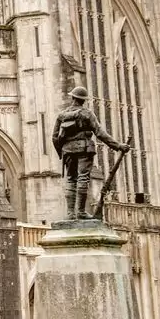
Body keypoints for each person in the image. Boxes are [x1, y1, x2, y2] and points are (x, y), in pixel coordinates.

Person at [52, 86, 131, 219]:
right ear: (83, 101)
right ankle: (81, 212)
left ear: (72, 98)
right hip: (84, 149)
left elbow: (54, 137)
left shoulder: (62, 115)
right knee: (83, 178)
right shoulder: (87, 114)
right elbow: (100, 133)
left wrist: (62, 152)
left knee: (71, 179)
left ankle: (70, 214)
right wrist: (118, 146)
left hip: (68, 151)